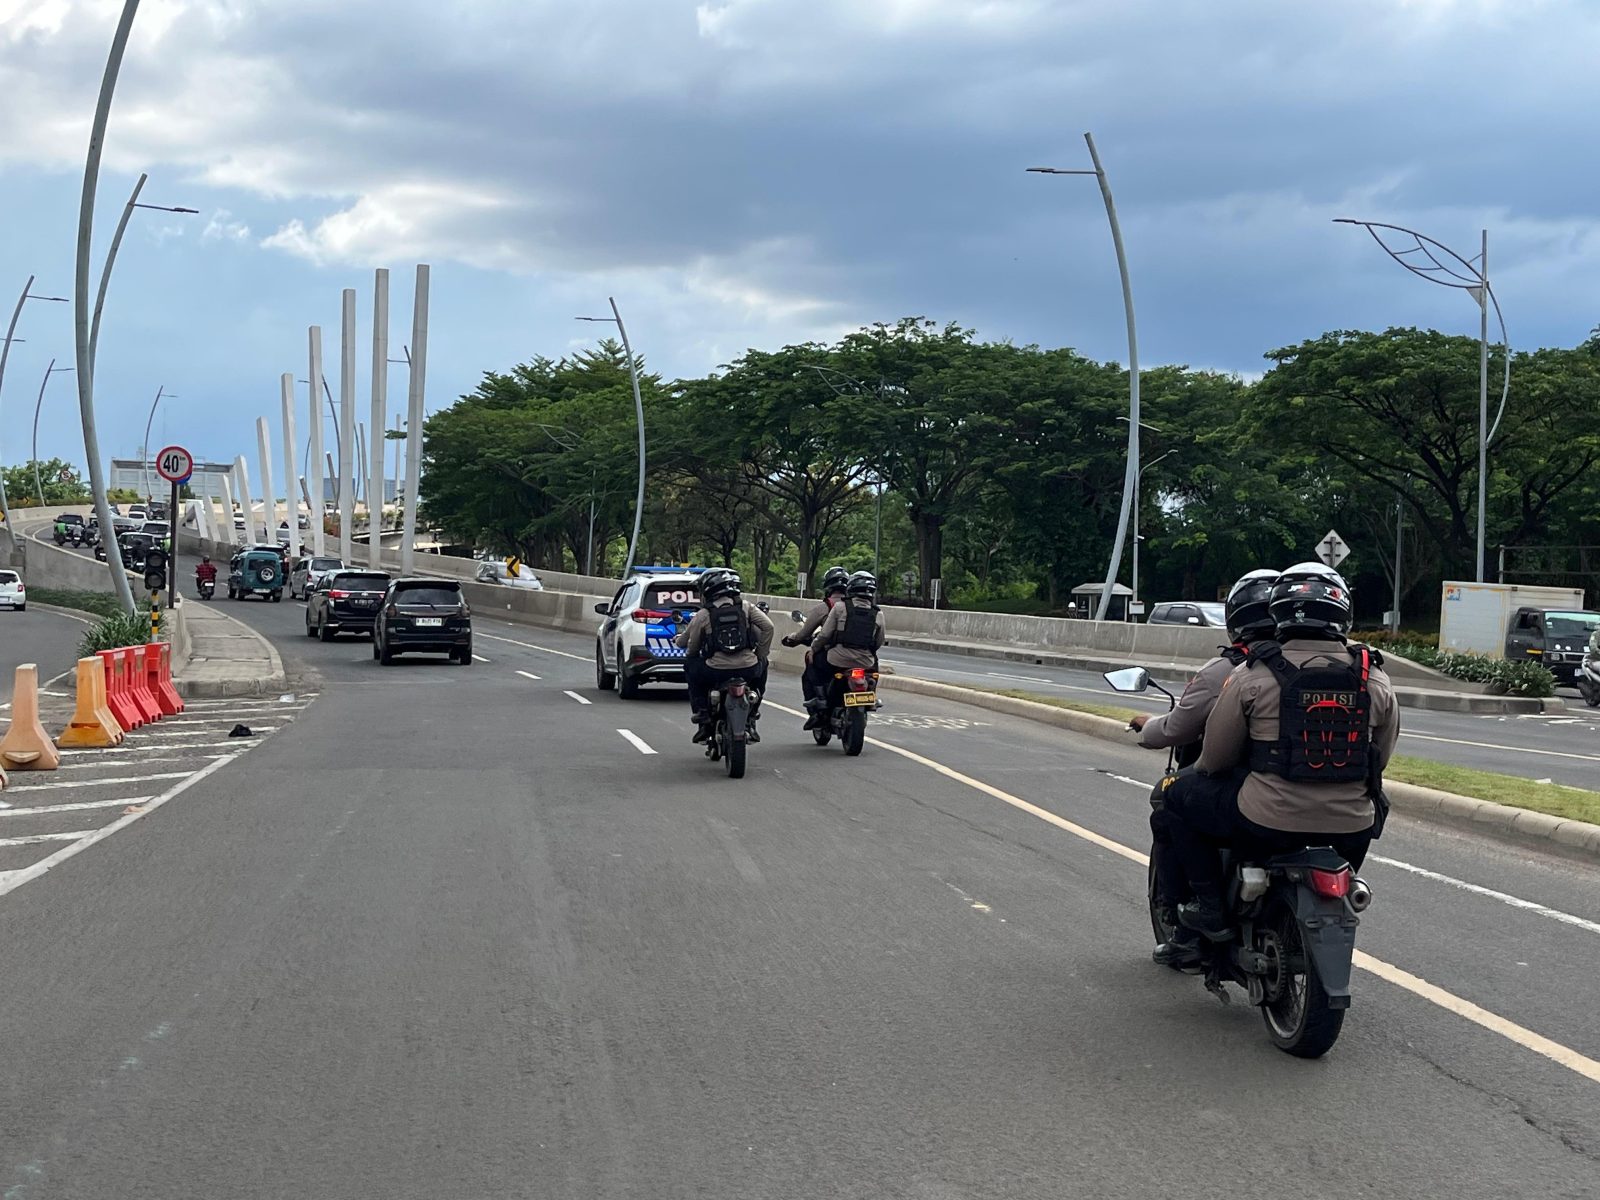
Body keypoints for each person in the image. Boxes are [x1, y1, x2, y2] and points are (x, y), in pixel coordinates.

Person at [1163, 562, 1399, 941]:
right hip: (1352, 828)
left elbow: (1216, 758)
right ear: (1344, 613)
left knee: (1176, 797)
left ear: (1278, 612)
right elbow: (1380, 759)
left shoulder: (1253, 672)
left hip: (1265, 823)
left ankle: (1210, 908)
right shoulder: (1374, 676)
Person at [1135, 568, 1278, 967]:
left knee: (1171, 799)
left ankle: (1199, 916)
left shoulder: (1234, 671)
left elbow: (1199, 745)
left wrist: (1147, 728)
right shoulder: (1343, 667)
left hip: (1250, 794)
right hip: (1345, 804)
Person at [675, 570, 774, 744]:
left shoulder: (704, 614)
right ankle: (753, 711)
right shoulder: (746, 607)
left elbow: (693, 647)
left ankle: (702, 712)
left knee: (690, 666)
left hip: (716, 670)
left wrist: (691, 655)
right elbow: (768, 627)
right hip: (748, 668)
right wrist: (759, 654)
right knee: (763, 664)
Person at [810, 570, 885, 724]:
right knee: (874, 671)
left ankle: (821, 699)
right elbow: (879, 641)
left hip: (837, 659)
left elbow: (824, 635)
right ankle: (871, 696)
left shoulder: (839, 607)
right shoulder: (878, 614)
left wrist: (814, 648)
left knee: (815, 662)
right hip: (865, 661)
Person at [782, 566, 850, 716]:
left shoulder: (825, 607)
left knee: (811, 660)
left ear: (828, 586)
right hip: (862, 658)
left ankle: (818, 701)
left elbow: (810, 634)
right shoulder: (856, 606)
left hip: (832, 655)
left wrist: (801, 642)